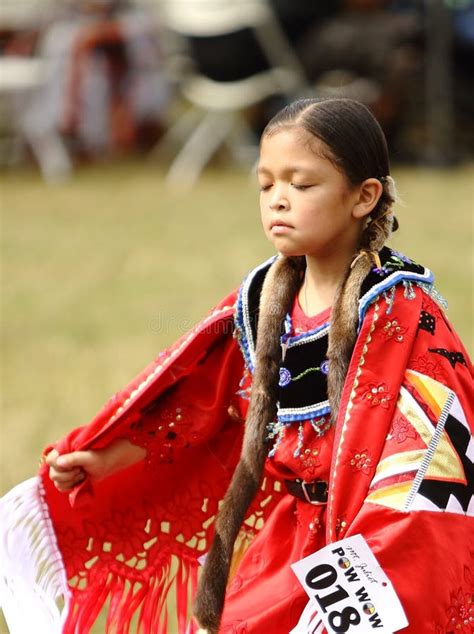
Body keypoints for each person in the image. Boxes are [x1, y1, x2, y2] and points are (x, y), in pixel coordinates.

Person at [1, 98, 472, 634]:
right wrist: (107, 457)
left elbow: (431, 447)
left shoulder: (398, 310)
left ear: (363, 197)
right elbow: (202, 403)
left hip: (372, 541)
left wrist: (369, 562)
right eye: (266, 185)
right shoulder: (262, 298)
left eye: (302, 184)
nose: (278, 202)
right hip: (288, 539)